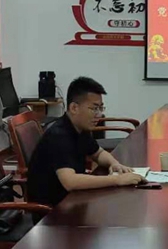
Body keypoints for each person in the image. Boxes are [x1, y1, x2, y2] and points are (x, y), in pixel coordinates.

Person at [27, 76, 144, 206]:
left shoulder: (80, 128)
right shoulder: (58, 135)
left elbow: (98, 153)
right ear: (74, 108)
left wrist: (114, 163)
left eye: (101, 108)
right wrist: (117, 180)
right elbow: (70, 182)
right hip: (51, 210)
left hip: (72, 200)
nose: (99, 114)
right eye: (94, 108)